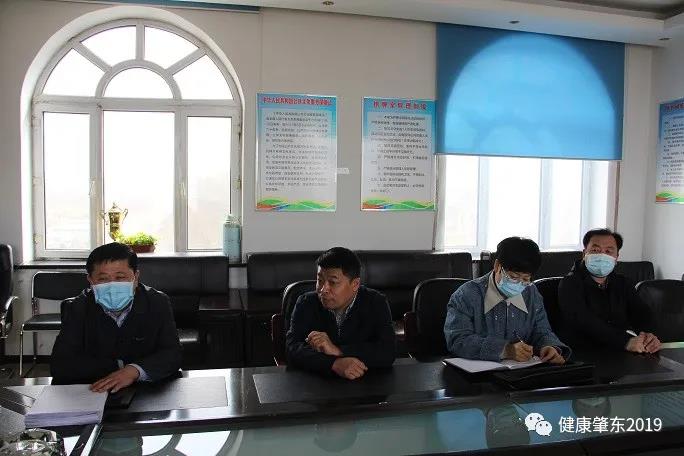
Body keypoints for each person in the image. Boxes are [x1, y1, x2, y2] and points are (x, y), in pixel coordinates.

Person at [51, 242, 182, 391]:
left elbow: (173, 354)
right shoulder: (78, 307)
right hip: (95, 390)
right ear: (91, 281)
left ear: (135, 277)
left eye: (120, 277)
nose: (112, 286)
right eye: (103, 279)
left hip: (147, 390)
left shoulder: (157, 302)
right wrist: (119, 368)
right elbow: (60, 365)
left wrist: (134, 371)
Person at [444, 237, 570, 364]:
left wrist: (548, 346)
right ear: (497, 266)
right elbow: (457, 339)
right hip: (477, 373)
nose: (519, 284)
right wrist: (505, 350)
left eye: (525, 279)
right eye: (514, 277)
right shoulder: (466, 295)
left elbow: (541, 331)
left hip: (521, 371)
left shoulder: (531, 293)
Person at [286, 247, 396, 379]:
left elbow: (388, 352)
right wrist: (334, 364)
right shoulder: (306, 302)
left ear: (355, 284)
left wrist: (338, 351)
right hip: (315, 383)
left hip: (365, 383)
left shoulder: (376, 302)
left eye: (332, 282)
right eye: (320, 280)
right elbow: (292, 350)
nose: (323, 289)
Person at [558, 228, 661, 353]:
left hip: (619, 352)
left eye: (608, 251)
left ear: (616, 258)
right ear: (584, 254)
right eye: (595, 250)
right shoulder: (570, 283)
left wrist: (649, 336)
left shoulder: (623, 283)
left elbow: (641, 313)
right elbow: (583, 321)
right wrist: (625, 341)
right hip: (582, 353)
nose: (602, 255)